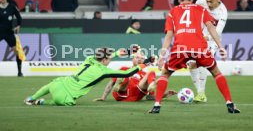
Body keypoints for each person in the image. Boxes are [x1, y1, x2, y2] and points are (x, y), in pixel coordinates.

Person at [148, 0, 240, 114]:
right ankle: (229, 103)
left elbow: (169, 35)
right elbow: (212, 28)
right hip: (200, 48)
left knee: (165, 74)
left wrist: (162, 56)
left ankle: (157, 105)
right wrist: (221, 47)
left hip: (179, 49)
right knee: (216, 73)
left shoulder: (172, 11)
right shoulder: (201, 9)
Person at [24, 45, 155, 106]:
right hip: (64, 96)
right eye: (109, 59)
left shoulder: (89, 59)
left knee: (50, 85)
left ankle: (32, 97)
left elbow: (111, 54)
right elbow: (128, 73)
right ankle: (43, 102)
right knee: (65, 102)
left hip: (58, 83)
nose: (110, 61)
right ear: (104, 60)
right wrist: (146, 62)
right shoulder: (104, 71)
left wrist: (127, 51)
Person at [189, 0, 228, 103]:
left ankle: (201, 93)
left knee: (202, 63)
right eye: (207, 1)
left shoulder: (223, 12)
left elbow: (217, 32)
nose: (209, 4)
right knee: (191, 64)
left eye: (211, 2)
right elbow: (192, 16)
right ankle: (200, 93)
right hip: (198, 37)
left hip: (212, 40)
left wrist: (204, 37)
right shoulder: (201, 2)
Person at [94, 51, 177, 102]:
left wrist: (164, 95)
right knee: (126, 74)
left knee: (151, 72)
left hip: (137, 93)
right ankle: (120, 85)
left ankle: (152, 83)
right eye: (137, 57)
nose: (139, 59)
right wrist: (103, 97)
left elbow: (150, 97)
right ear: (132, 59)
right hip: (122, 93)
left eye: (141, 58)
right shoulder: (124, 68)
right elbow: (111, 82)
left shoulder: (144, 74)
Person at [0, 0, 23, 77]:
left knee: (17, 52)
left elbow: (19, 18)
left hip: (9, 33)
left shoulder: (12, 7)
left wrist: (18, 25)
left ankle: (19, 72)